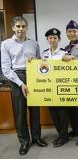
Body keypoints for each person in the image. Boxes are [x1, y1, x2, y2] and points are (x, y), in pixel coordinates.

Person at [1, 16, 47, 155]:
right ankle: (24, 142)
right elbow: (6, 69)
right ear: (13, 28)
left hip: (33, 76)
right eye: (18, 26)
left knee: (35, 111)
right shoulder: (6, 44)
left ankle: (37, 138)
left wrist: (37, 60)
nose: (21, 29)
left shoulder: (34, 43)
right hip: (17, 78)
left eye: (23, 26)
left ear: (27, 28)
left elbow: (40, 63)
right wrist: (21, 84)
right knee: (21, 113)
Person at [42, 28, 69, 147]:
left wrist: (71, 58)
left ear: (59, 39)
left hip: (60, 87)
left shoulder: (64, 53)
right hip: (48, 88)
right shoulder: (44, 54)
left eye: (55, 38)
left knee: (62, 113)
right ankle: (61, 134)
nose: (52, 40)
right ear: (47, 39)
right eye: (50, 38)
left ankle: (64, 136)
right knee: (53, 112)